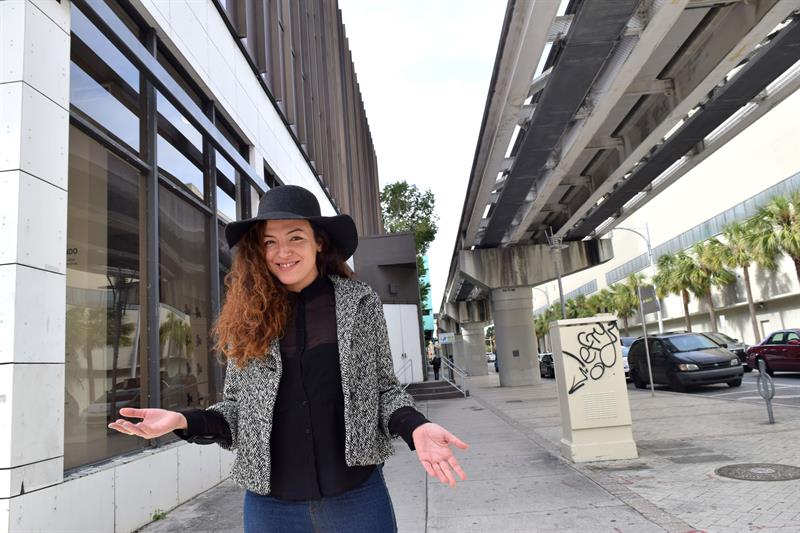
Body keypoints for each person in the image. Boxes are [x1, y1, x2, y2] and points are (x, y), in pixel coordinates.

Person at [108, 185, 468, 533]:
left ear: (318, 242)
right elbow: (237, 410)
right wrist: (182, 421)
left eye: (295, 237)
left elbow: (384, 391)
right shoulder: (246, 317)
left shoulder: (360, 303)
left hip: (356, 499)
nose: (283, 252)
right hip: (272, 509)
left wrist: (415, 426)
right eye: (270, 242)